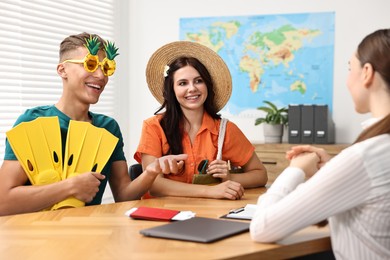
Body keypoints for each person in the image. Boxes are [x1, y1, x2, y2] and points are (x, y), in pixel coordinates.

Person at [0, 32, 187, 216]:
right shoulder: (33, 121)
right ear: (62, 70)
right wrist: (70, 186)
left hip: (88, 233)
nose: (100, 75)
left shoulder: (107, 127)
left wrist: (151, 171)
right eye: (90, 65)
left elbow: (123, 195)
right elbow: (3, 203)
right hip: (34, 237)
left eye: (106, 68)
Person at [250, 29, 390, 259]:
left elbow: (262, 227)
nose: (347, 79)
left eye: (349, 68)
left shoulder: (364, 156)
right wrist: (333, 168)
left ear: (367, 73)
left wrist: (296, 169)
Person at [134, 41, 268, 200]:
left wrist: (229, 178)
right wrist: (211, 191)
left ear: (207, 85)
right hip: (162, 215)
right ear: (172, 90)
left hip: (208, 214)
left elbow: (261, 175)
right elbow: (154, 185)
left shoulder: (225, 130)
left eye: (198, 81)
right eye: (183, 83)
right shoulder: (153, 127)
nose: (192, 88)